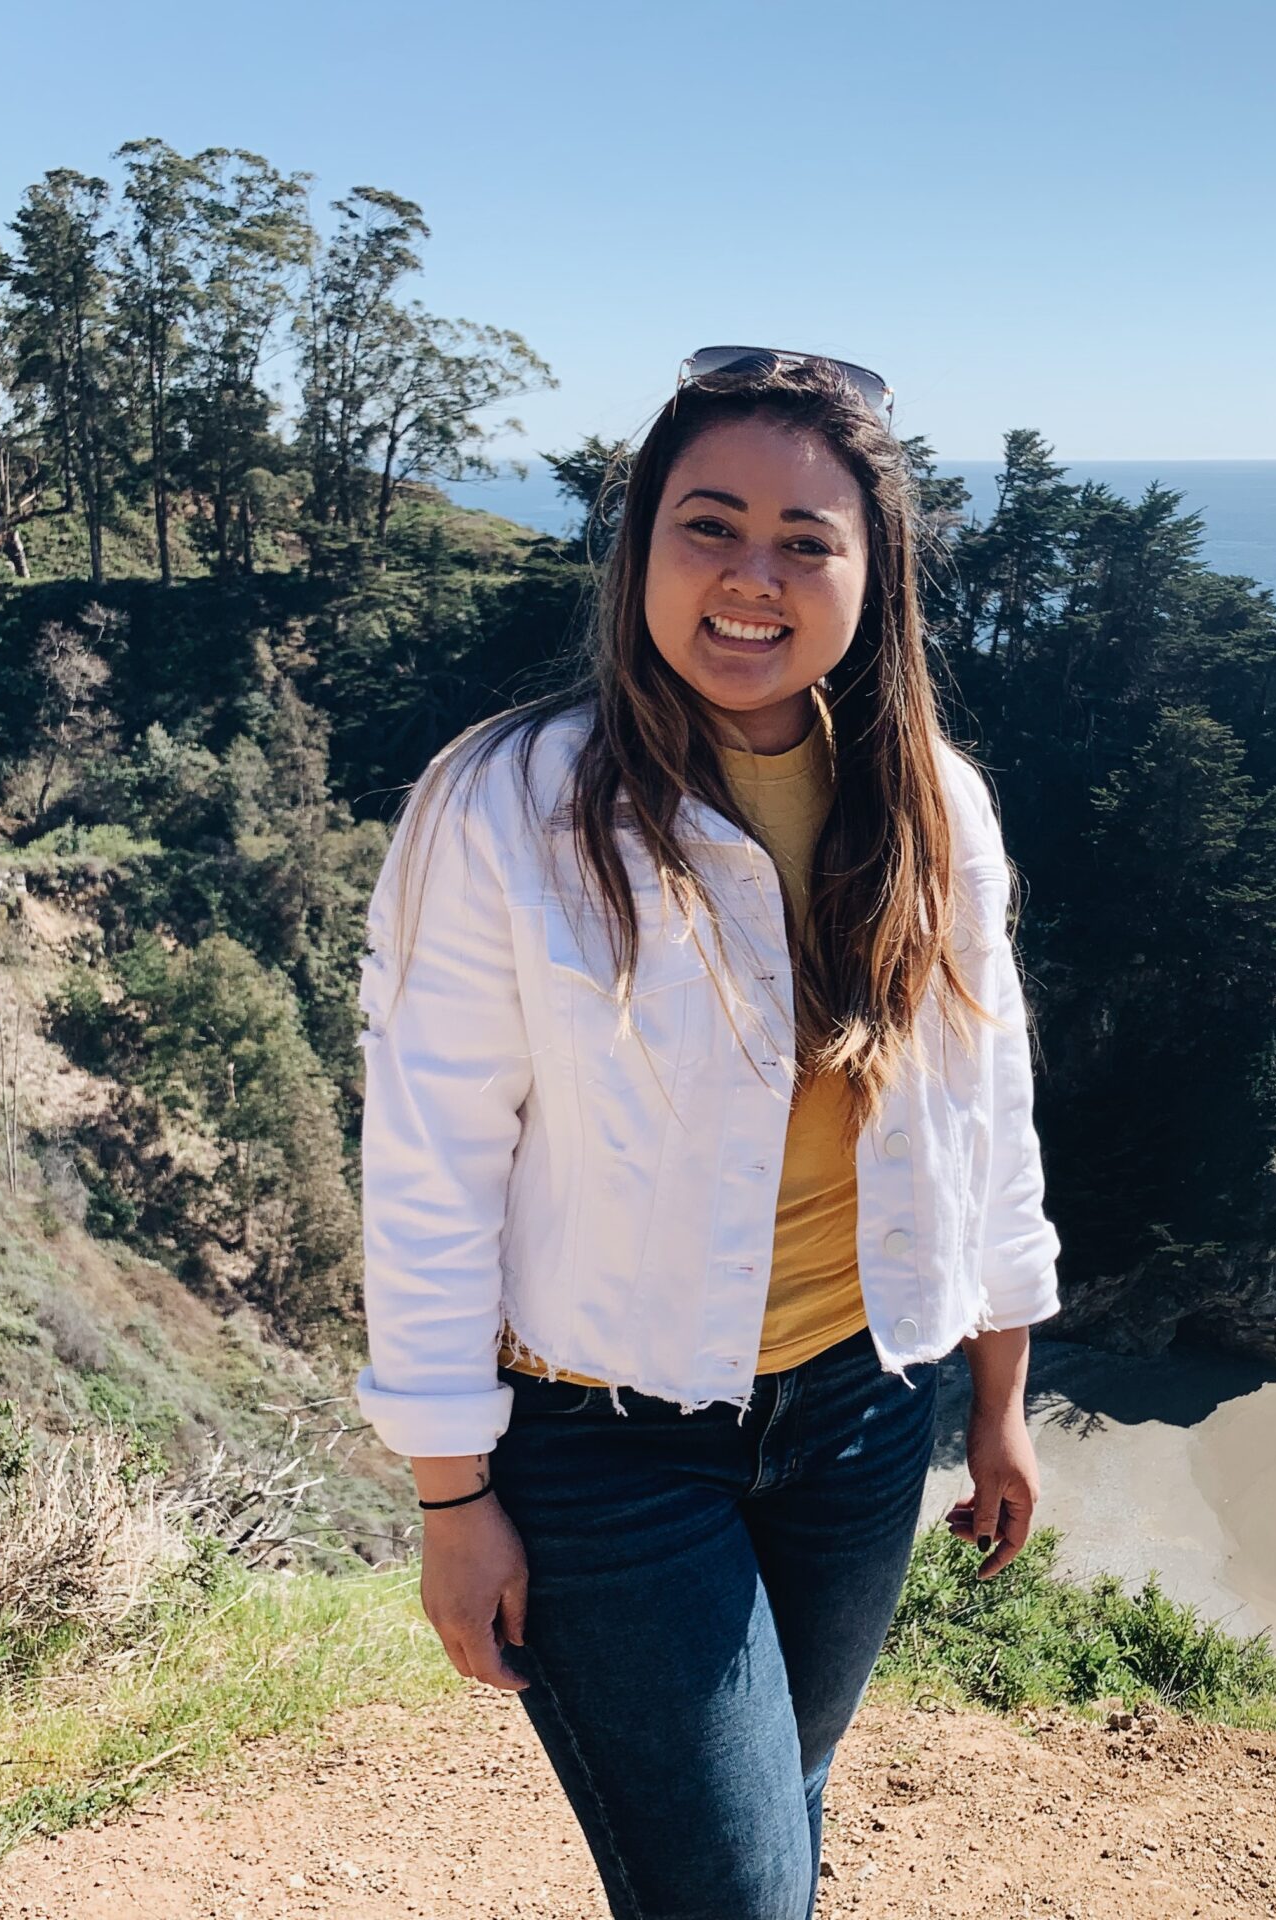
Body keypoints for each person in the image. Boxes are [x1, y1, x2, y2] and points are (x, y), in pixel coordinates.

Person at [351, 347, 1061, 1919]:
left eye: (808, 542)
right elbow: (428, 1164)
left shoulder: (935, 805)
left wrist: (1002, 1395)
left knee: (778, 1817)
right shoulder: (505, 804)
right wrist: (452, 1496)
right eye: (709, 526)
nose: (755, 579)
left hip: (864, 1416)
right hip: (601, 1444)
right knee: (733, 1889)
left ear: (873, 577)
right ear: (641, 550)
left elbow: (984, 1111)